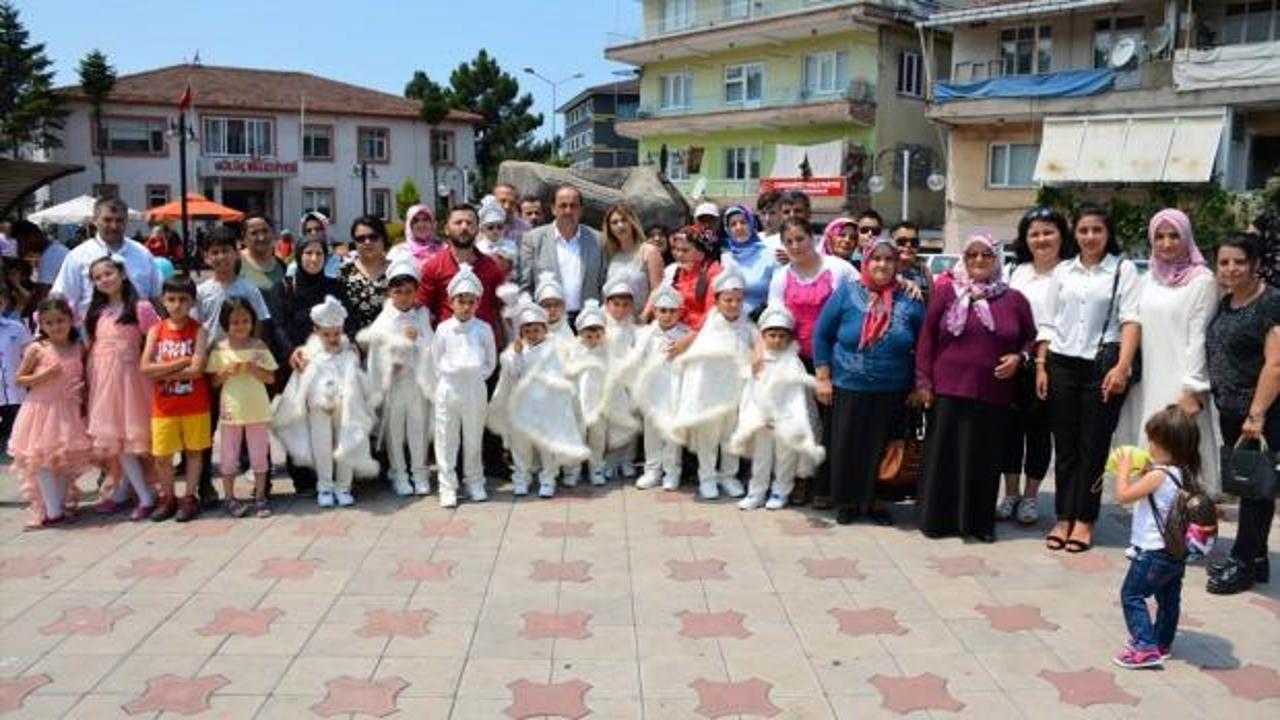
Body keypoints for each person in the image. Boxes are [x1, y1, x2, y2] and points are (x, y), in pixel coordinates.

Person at [916, 232, 1036, 542]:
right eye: (972, 254)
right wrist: (924, 381)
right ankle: (938, 521)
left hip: (992, 393)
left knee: (984, 459)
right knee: (944, 458)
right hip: (947, 389)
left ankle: (977, 524)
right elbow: (926, 338)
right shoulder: (946, 292)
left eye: (986, 254)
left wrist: (1019, 357)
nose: (979, 260)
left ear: (997, 259)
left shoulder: (1014, 299)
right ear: (964, 259)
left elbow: (1030, 338)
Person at [1035, 204, 1141, 553]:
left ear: (1108, 233)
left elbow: (1131, 321)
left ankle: (1085, 520)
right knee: (1064, 446)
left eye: (1097, 230)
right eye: (1083, 230)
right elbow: (1048, 322)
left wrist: (1122, 367)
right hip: (1062, 365)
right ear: (1074, 234)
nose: (1090, 236)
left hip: (1102, 366)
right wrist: (1041, 366)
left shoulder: (1122, 270)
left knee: (1093, 447)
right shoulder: (1063, 271)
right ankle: (1063, 517)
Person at [813, 233, 924, 524]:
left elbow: (924, 345)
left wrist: (920, 384)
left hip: (894, 389)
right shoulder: (846, 293)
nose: (882, 265)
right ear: (866, 261)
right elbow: (822, 335)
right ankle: (848, 501)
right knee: (849, 446)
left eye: (888, 259)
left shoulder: (910, 298)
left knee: (885, 448)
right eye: (876, 258)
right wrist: (823, 378)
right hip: (849, 386)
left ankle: (876, 502)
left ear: (897, 264)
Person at [1123, 209, 1220, 494]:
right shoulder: (1147, 279)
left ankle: (1186, 518)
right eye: (1160, 236)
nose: (1166, 243)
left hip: (1181, 383)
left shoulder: (1202, 281)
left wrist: (1192, 388)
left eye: (1174, 235)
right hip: (1147, 380)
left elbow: (1199, 337)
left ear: (1187, 237)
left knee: (1180, 455)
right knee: (1150, 449)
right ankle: (1150, 517)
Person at [1205, 232, 1279, 594]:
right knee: (1251, 486)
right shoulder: (1227, 301)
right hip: (1232, 410)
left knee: (1255, 490)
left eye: (1239, 262)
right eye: (1224, 262)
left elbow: (1276, 365)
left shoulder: (1271, 303)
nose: (1231, 269)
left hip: (1261, 413)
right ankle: (1258, 557)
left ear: (1255, 264)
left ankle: (1243, 564)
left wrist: (1257, 414)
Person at [999, 207, 1075, 526]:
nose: (1041, 239)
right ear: (1024, 239)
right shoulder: (1016, 272)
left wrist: (1039, 358)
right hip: (1015, 363)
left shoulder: (1071, 272)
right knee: (1010, 431)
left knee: (1040, 433)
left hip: (1052, 363)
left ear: (1061, 236)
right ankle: (1010, 493)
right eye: (1034, 233)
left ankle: (1030, 497)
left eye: (1048, 232)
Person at [1111, 405, 1203, 669]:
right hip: (1175, 552)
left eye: (1151, 439)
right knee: (1168, 599)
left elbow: (1123, 496)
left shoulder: (1159, 475)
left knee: (1131, 595)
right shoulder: (1183, 473)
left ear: (1165, 444)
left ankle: (1144, 647)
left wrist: (1123, 470)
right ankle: (1162, 643)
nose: (1148, 445)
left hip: (1153, 552)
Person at [273, 296, 378, 508]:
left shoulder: (348, 354)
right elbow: (304, 384)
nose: (332, 338)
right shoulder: (310, 355)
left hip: (345, 408)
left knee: (346, 443)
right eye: (327, 334)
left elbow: (354, 382)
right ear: (316, 332)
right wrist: (319, 401)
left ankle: (343, 486)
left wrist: (345, 399)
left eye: (337, 333)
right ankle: (325, 486)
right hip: (319, 410)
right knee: (321, 446)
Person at [266, 228, 344, 497]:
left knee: (328, 418)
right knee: (298, 420)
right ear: (298, 256)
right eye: (308, 253)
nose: (313, 258)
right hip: (296, 364)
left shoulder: (334, 287)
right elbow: (277, 325)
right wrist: (292, 352)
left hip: (329, 363)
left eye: (319, 253)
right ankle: (303, 478)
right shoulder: (284, 287)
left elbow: (347, 322)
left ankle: (331, 476)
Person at [488, 297, 589, 498]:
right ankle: (521, 477)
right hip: (522, 409)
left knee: (546, 448)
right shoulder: (515, 351)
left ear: (545, 329)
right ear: (521, 332)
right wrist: (517, 356)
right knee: (521, 446)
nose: (532, 335)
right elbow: (513, 376)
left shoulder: (553, 350)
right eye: (527, 331)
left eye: (536, 330)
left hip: (546, 409)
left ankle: (548, 478)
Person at [84, 256, 161, 517]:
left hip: (131, 382)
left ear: (122, 274)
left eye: (108, 273)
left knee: (129, 440)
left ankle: (145, 495)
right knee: (118, 440)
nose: (104, 280)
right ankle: (125, 492)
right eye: (97, 277)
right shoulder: (97, 312)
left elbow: (157, 338)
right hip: (104, 382)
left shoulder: (141, 307)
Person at [671, 269, 757, 499]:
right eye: (728, 300)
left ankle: (728, 476)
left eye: (738, 300)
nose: (733, 305)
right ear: (717, 301)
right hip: (710, 396)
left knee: (731, 437)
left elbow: (758, 354)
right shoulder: (708, 328)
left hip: (736, 393)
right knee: (708, 438)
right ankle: (707, 477)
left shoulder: (747, 327)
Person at [8, 295, 89, 528]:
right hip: (41, 410)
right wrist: (43, 376)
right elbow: (19, 379)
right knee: (41, 459)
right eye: (49, 323)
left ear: (70, 320)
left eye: (60, 321)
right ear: (41, 325)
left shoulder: (77, 347)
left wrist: (82, 389)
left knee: (62, 459)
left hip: (67, 410)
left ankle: (59, 505)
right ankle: (52, 510)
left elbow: (84, 375)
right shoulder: (38, 348)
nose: (56, 327)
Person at [732, 305, 824, 510]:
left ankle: (780, 491)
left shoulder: (793, 362)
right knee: (761, 458)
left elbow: (797, 395)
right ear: (763, 336)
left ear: (789, 338)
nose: (777, 340)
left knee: (785, 458)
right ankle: (756, 492)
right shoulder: (758, 362)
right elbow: (750, 392)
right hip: (762, 420)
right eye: (772, 335)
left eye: (782, 336)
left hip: (785, 419)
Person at [357, 258, 435, 497]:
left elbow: (432, 348)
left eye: (409, 292)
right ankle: (399, 473)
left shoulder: (421, 316)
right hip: (394, 385)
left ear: (416, 292)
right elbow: (375, 356)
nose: (403, 297)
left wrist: (417, 341)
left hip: (416, 383)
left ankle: (420, 472)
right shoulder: (384, 321)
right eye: (398, 292)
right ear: (390, 292)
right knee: (395, 431)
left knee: (417, 429)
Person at [141, 276, 212, 522]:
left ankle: (190, 497)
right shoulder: (156, 330)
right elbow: (145, 368)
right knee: (162, 456)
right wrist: (182, 361)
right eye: (171, 299)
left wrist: (162, 371)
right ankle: (168, 497)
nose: (177, 305)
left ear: (192, 302)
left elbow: (197, 371)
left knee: (194, 452)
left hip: (195, 405)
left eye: (183, 299)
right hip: (163, 407)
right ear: (163, 300)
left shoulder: (198, 330)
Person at [432, 263, 498, 508]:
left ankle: (475, 481)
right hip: (449, 387)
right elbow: (435, 360)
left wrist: (476, 376)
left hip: (474, 388)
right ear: (451, 302)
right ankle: (447, 486)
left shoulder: (484, 329)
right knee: (446, 438)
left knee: (473, 437)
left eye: (471, 302)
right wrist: (450, 377)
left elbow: (490, 361)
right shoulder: (443, 329)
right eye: (461, 301)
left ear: (478, 303)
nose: (466, 306)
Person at [206, 298, 276, 518]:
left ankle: (260, 497)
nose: (240, 326)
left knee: (259, 455)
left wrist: (255, 369)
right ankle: (229, 498)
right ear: (225, 323)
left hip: (257, 409)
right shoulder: (220, 348)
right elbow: (213, 382)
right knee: (228, 455)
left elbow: (271, 378)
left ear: (252, 321)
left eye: (245, 320)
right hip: (231, 409)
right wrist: (224, 373)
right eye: (235, 322)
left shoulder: (259, 346)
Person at [52, 197, 163, 316]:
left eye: (119, 220)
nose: (114, 226)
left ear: (126, 221)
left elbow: (157, 298)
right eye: (107, 220)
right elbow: (61, 299)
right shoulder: (78, 256)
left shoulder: (142, 254)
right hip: (91, 327)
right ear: (95, 220)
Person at [627, 284, 689, 491]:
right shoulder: (644, 335)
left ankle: (672, 471)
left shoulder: (685, 335)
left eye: (672, 311)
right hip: (651, 390)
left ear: (680, 312)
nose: (667, 315)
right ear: (654, 311)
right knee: (652, 432)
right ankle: (652, 470)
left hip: (674, 389)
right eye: (663, 310)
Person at [768, 219, 856, 364]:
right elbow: (774, 318)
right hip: (795, 359)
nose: (795, 246)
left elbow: (863, 302)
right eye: (788, 242)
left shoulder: (841, 269)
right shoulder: (780, 277)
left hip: (838, 357)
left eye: (800, 239)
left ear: (812, 238)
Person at [418, 205, 506, 341]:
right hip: (448, 346)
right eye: (458, 222)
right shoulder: (433, 267)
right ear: (446, 229)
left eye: (469, 223)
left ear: (477, 229)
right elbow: (423, 310)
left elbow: (502, 309)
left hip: (483, 346)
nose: (464, 227)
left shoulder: (492, 267)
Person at [518, 185, 606, 320]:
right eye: (563, 205)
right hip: (548, 321)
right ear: (553, 209)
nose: (568, 211)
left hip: (588, 321)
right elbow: (525, 285)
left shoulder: (598, 240)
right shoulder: (533, 240)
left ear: (581, 210)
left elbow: (603, 283)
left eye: (573, 206)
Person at [196, 227, 272, 346]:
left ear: (237, 253)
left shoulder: (249, 289)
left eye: (225, 251)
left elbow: (259, 320)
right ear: (206, 257)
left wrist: (253, 347)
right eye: (215, 252)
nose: (221, 256)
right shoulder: (201, 291)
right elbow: (196, 323)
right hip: (210, 352)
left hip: (242, 353)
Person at [569, 300, 611, 487]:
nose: (593, 340)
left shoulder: (607, 352)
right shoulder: (573, 351)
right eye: (588, 336)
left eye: (597, 336)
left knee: (597, 437)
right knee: (577, 436)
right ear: (580, 334)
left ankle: (596, 468)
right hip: (578, 402)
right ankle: (573, 469)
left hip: (599, 402)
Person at [603, 204, 664, 319]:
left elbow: (657, 289)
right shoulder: (613, 255)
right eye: (614, 222)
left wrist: (644, 317)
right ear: (609, 228)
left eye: (624, 220)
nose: (620, 225)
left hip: (640, 321)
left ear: (632, 223)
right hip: (614, 321)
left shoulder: (649, 251)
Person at [720, 204, 779, 318]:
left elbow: (778, 295)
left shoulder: (770, 254)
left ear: (751, 224)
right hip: (731, 318)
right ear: (728, 230)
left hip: (763, 318)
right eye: (733, 224)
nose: (739, 228)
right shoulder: (726, 258)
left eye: (743, 222)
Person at [339, 215, 391, 338]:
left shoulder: (395, 271)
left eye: (373, 237)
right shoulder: (343, 272)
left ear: (383, 238)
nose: (367, 242)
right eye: (361, 239)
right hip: (353, 343)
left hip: (389, 343)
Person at [664, 225, 722, 332]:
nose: (679, 255)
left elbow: (710, 314)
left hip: (704, 332)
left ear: (701, 254)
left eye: (685, 250)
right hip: (677, 327)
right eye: (676, 249)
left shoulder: (714, 272)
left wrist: (688, 338)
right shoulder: (678, 270)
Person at [0, 287, 31, 462]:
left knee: (16, 429)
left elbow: (29, 356)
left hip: (15, 390)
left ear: (4, 303)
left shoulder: (17, 328)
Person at [11, 220, 68, 299]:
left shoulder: (50, 257)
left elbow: (43, 296)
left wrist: (17, 285)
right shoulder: (56, 249)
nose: (20, 246)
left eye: (20, 241)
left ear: (34, 236)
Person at [239, 214, 286, 293]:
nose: (261, 238)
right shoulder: (234, 263)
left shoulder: (281, 265)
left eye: (265, 231)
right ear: (244, 237)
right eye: (254, 233)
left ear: (272, 233)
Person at [892, 222, 932, 303]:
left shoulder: (923, 270)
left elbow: (931, 301)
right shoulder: (884, 270)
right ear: (891, 243)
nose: (908, 245)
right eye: (902, 241)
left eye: (914, 242)